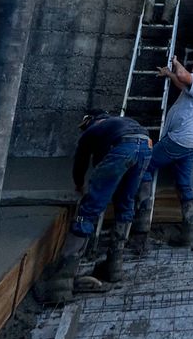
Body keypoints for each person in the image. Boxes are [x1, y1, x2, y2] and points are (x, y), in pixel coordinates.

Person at [37, 110, 153, 304]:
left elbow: (82, 161)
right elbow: (106, 162)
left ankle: (62, 280)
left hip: (125, 147)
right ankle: (114, 266)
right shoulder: (119, 124)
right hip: (145, 146)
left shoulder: (93, 130)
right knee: (125, 204)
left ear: (90, 121)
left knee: (89, 209)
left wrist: (79, 184)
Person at [130, 50, 193, 253]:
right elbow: (182, 84)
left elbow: (183, 76)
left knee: (145, 165)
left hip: (178, 141)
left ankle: (140, 230)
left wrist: (176, 62)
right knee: (184, 185)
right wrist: (169, 74)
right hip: (190, 145)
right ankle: (189, 235)